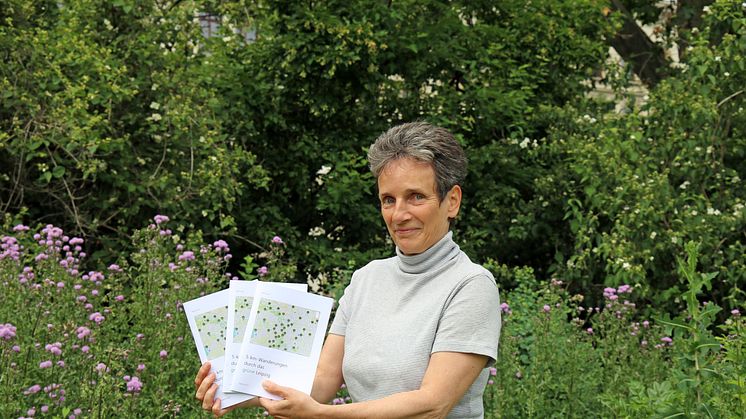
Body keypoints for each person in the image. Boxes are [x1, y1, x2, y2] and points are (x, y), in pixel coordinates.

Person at [195, 122, 501, 418]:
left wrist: (322, 416)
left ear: (452, 202)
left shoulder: (471, 285)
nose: (399, 214)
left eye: (416, 197)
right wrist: (238, 391)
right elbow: (323, 379)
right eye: (388, 200)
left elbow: (431, 406)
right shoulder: (366, 279)